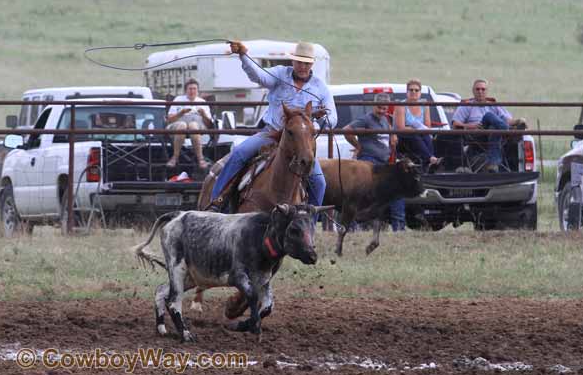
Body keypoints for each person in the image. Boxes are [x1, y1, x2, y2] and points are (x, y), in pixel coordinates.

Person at [210, 40, 337, 208]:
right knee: (239, 153)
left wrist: (321, 120)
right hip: (272, 133)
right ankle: (217, 201)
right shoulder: (280, 74)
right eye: (299, 62)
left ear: (311, 64)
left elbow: (332, 117)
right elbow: (258, 76)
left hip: (300, 140)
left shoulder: (320, 87)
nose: (302, 66)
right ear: (293, 61)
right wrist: (243, 55)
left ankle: (308, 223)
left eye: (306, 63)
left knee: (319, 182)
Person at [342, 93, 405, 232]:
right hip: (369, 159)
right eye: (379, 108)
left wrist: (393, 137)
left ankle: (399, 226)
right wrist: (358, 146)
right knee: (361, 191)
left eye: (384, 108)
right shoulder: (365, 119)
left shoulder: (386, 121)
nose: (382, 110)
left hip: (383, 162)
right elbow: (347, 130)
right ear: (373, 106)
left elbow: (389, 137)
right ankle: (352, 225)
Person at [451, 79, 525, 173]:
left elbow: (507, 119)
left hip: (494, 134)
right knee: (489, 115)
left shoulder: (494, 104)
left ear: (487, 91)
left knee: (495, 128)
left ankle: (493, 164)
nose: (480, 92)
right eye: (477, 89)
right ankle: (508, 131)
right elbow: (455, 124)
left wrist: (518, 121)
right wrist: (471, 126)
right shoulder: (466, 105)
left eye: (483, 89)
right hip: (476, 135)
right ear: (473, 91)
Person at [394, 78, 440, 171]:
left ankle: (429, 161)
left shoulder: (424, 106)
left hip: (421, 134)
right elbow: (401, 127)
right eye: (411, 90)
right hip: (404, 138)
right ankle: (430, 158)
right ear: (407, 92)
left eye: (416, 90)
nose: (413, 92)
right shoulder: (401, 106)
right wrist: (415, 129)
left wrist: (418, 129)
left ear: (420, 92)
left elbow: (428, 126)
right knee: (415, 135)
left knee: (426, 135)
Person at [165, 78, 212, 169]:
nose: (192, 91)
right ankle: (175, 157)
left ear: (197, 91)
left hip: (197, 124)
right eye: (190, 89)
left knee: (193, 126)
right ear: (185, 90)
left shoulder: (202, 102)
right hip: (178, 123)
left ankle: (200, 159)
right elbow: (169, 120)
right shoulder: (178, 99)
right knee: (182, 125)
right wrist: (181, 113)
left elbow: (209, 124)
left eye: (194, 89)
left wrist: (203, 115)